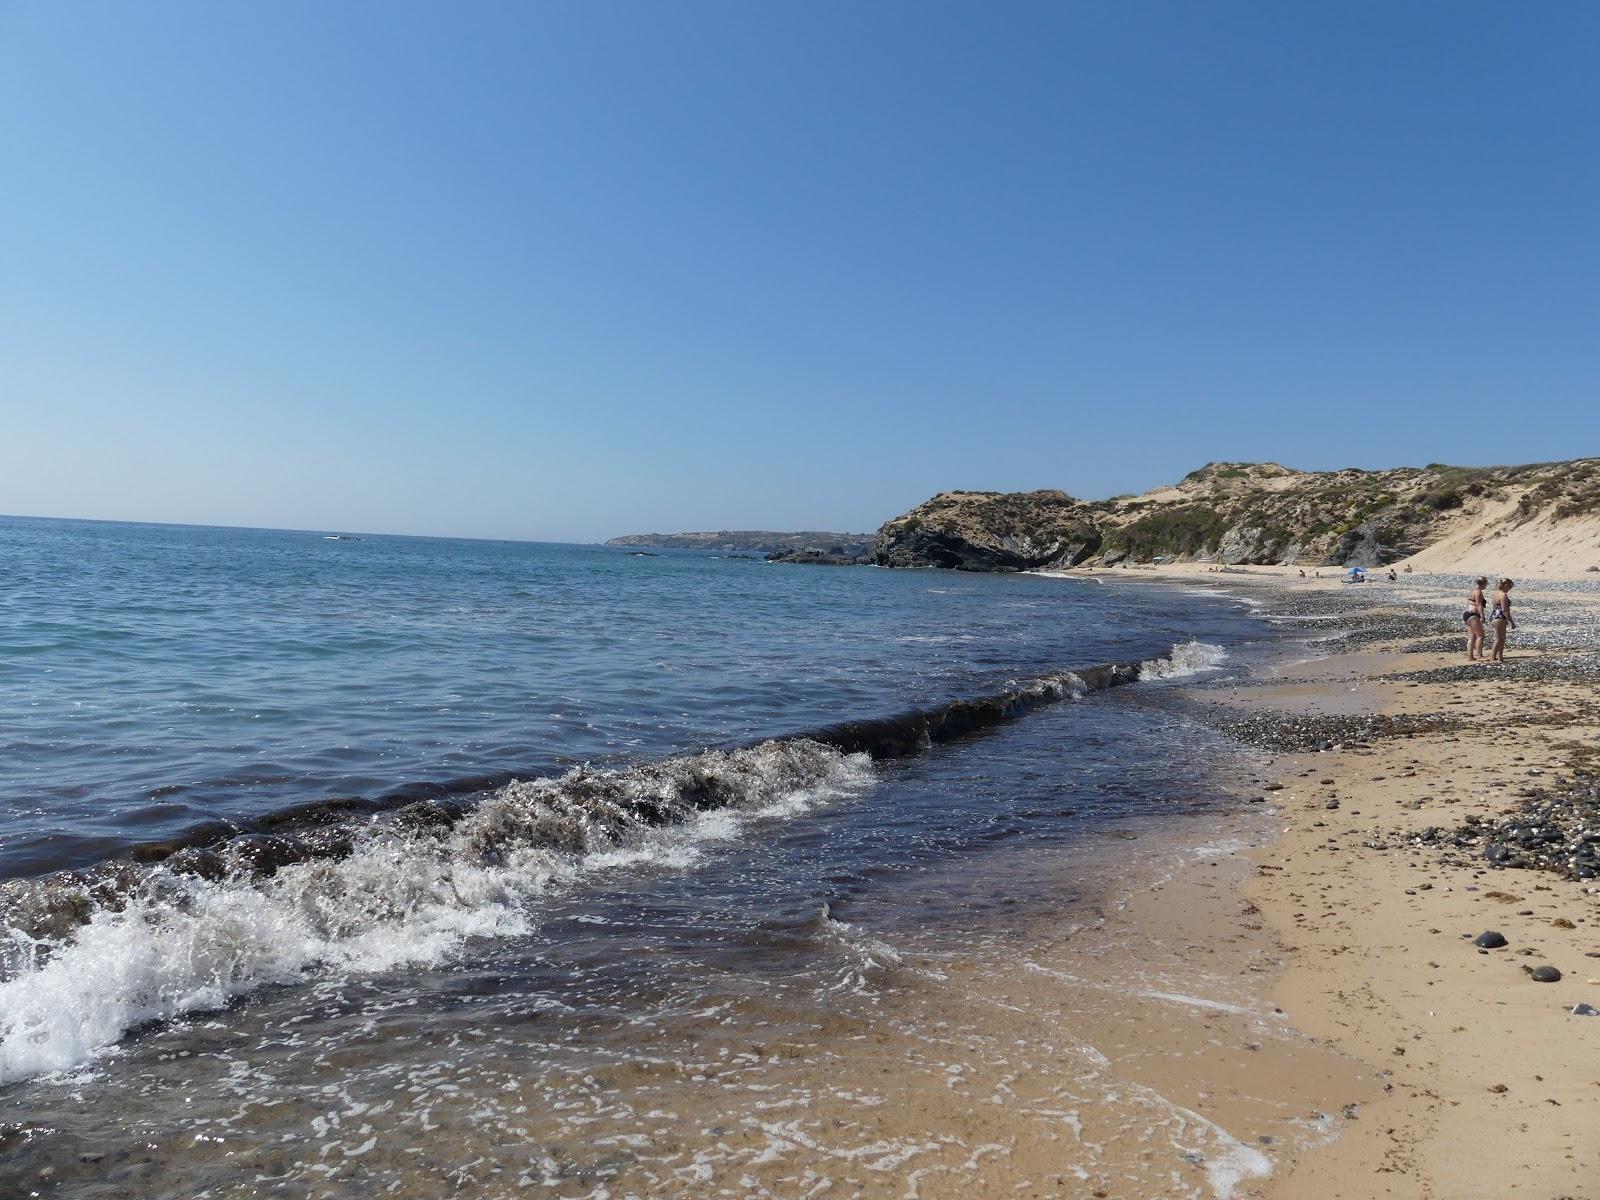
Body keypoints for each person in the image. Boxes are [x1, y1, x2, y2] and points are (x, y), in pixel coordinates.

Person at [1489, 578, 1517, 662]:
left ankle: (1499, 658)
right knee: (1499, 639)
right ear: (1505, 585)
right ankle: (1493, 658)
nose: (1510, 589)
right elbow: (1505, 610)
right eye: (1510, 586)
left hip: (1494, 616)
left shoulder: (1495, 593)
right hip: (1500, 617)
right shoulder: (1503, 595)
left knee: (1499, 639)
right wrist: (1511, 622)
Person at [1464, 576, 1488, 661]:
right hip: (1473, 615)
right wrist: (1482, 615)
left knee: (1472, 637)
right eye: (1486, 583)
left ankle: (1470, 656)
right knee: (1480, 636)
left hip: (1468, 614)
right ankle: (1479, 656)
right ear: (1483, 584)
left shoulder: (1472, 590)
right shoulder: (1478, 592)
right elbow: (1478, 604)